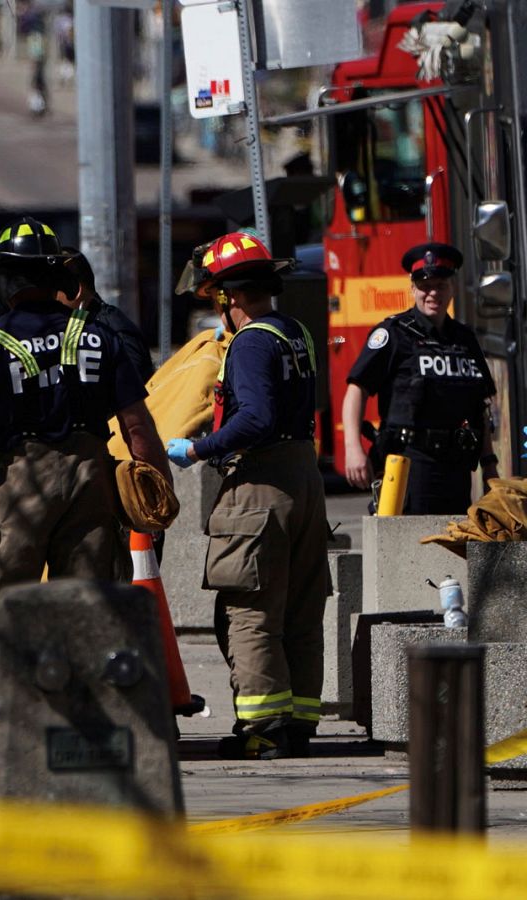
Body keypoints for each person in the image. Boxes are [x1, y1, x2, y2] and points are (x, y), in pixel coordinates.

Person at [0, 217, 172, 777]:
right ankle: (79, 735)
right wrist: (156, 495)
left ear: (7, 281)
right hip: (91, 477)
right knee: (83, 609)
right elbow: (139, 427)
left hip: (22, 482)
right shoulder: (99, 337)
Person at [166, 231, 330, 760]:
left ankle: (263, 727)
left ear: (229, 297)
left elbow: (255, 416)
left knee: (250, 611)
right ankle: (300, 720)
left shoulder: (252, 340)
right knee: (301, 610)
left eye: (216, 297)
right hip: (303, 478)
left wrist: (197, 449)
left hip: (260, 486)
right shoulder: (293, 331)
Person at [340, 242, 498, 514]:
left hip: (456, 467)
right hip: (408, 464)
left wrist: (490, 467)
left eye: (441, 285)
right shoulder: (393, 334)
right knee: (408, 547)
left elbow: (479, 409)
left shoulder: (464, 339)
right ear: (412, 289)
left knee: (455, 548)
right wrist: (352, 448)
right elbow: (357, 389)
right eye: (425, 286)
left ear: (452, 289)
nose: (433, 293)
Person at [60, 247, 155, 385]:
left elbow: (133, 394)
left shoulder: (114, 333)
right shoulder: (74, 327)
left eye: (52, 291)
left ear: (75, 290)